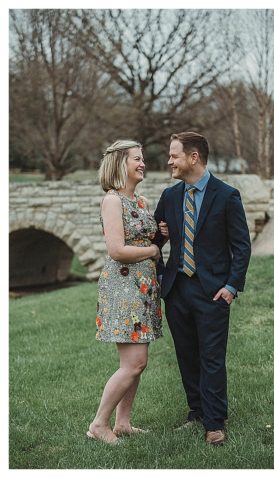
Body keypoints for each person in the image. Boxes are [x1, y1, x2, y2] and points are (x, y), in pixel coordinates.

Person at [153, 131, 251, 446]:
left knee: (211, 357)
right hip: (177, 290)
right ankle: (196, 412)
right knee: (186, 355)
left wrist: (231, 287)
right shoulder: (169, 196)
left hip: (212, 292)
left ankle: (214, 422)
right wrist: (161, 240)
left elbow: (242, 247)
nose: (169, 161)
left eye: (174, 155)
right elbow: (154, 242)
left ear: (193, 157)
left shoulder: (226, 196)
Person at [88, 139, 164, 444]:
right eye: (137, 159)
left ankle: (122, 423)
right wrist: (153, 251)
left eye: (143, 158)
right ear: (121, 164)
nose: (142, 163)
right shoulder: (112, 201)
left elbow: (143, 236)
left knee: (135, 363)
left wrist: (159, 236)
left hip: (143, 288)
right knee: (134, 363)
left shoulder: (141, 201)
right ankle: (98, 424)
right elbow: (117, 249)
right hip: (123, 288)